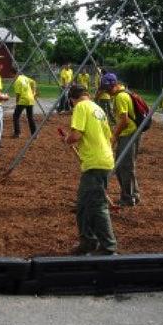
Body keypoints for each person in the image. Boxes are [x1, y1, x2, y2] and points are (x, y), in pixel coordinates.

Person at [65, 84, 117, 256]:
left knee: (97, 205)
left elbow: (76, 135)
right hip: (103, 158)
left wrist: (68, 139)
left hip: (95, 162)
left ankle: (108, 247)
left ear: (72, 99)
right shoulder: (98, 108)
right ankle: (87, 241)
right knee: (83, 204)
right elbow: (110, 137)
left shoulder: (80, 107)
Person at [101, 73, 140, 206]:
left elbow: (125, 121)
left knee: (124, 166)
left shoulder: (121, 97)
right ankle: (134, 194)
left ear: (114, 85)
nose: (107, 92)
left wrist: (114, 136)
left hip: (128, 133)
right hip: (129, 133)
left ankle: (128, 198)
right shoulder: (123, 93)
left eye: (108, 89)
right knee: (124, 165)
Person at [11, 67, 37, 138]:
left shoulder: (17, 81)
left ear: (13, 74)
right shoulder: (24, 77)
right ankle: (34, 134)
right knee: (30, 117)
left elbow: (18, 94)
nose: (12, 77)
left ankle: (17, 133)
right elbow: (33, 82)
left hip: (22, 100)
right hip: (30, 99)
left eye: (12, 75)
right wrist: (33, 92)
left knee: (16, 116)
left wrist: (17, 102)